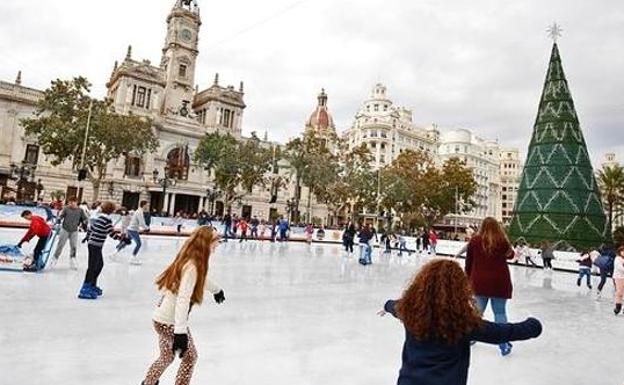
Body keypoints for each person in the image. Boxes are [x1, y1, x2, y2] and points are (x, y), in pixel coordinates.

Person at [379, 259, 542, 385]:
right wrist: (532, 326)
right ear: (459, 290)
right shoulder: (463, 323)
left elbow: (393, 305)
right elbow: (500, 333)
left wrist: (387, 306)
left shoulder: (409, 311)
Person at [141, 226, 225, 385]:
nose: (218, 244)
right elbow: (183, 298)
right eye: (216, 241)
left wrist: (216, 290)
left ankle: (148, 383)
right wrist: (180, 332)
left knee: (166, 356)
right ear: (206, 243)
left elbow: (202, 279)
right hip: (169, 322)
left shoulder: (191, 259)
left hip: (160, 318)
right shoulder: (192, 266)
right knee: (190, 357)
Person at [465, 217, 515, 356]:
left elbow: (469, 262)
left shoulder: (475, 241)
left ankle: (471, 337)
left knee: (477, 313)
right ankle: (503, 343)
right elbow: (511, 255)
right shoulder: (502, 241)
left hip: (479, 282)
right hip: (499, 282)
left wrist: (467, 279)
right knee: (500, 313)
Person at [78, 201, 120, 299]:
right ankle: (85, 289)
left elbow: (90, 229)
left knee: (99, 265)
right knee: (92, 267)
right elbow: (112, 234)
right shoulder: (106, 220)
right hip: (95, 245)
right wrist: (123, 239)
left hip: (94, 244)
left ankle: (92, 284)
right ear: (111, 211)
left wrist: (87, 237)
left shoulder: (99, 217)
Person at [50, 196, 88, 270]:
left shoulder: (80, 210)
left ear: (76, 202)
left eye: (72, 202)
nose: (71, 204)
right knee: (60, 245)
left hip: (74, 230)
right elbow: (61, 216)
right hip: (65, 229)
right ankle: (55, 258)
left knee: (73, 246)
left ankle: (72, 259)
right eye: (70, 202)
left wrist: (85, 222)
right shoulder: (66, 208)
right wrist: (59, 219)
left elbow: (85, 218)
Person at [125, 201, 150, 265]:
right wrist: (147, 228)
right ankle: (132, 258)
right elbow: (142, 223)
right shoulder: (140, 212)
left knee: (126, 242)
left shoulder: (138, 211)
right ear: (144, 205)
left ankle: (115, 252)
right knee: (139, 244)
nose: (147, 206)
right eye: (147, 205)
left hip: (131, 229)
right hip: (133, 230)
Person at [613, 246, 624, 315]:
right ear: (620, 252)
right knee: (619, 292)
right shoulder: (617, 258)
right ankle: (618, 307)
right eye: (623, 251)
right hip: (619, 277)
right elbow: (619, 268)